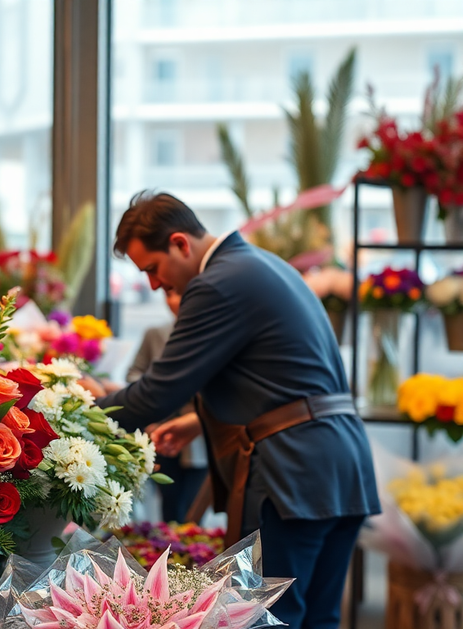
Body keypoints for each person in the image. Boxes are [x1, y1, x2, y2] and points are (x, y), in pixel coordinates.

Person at [92, 191, 379, 629]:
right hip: (342, 463)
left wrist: (78, 412)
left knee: (271, 620)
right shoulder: (264, 264)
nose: (152, 284)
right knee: (320, 618)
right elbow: (284, 378)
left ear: (180, 244)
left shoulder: (216, 283)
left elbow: (157, 393)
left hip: (294, 475)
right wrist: (198, 420)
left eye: (152, 268)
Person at [125, 289, 208, 524]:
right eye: (168, 294)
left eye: (180, 293)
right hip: (160, 426)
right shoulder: (156, 333)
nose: (174, 300)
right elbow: (133, 373)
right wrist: (154, 389)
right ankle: (171, 555)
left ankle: (190, 554)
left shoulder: (209, 336)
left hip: (197, 433)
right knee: (169, 501)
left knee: (194, 506)